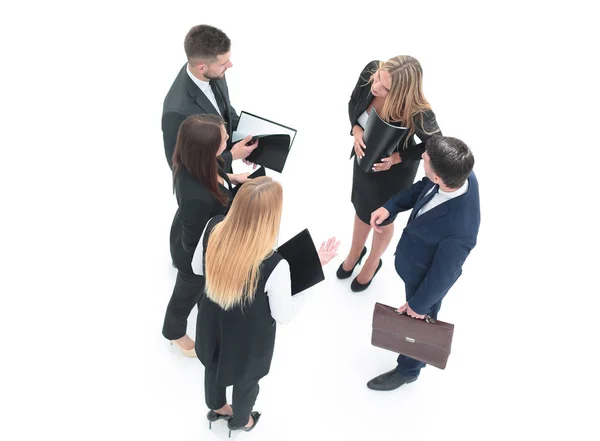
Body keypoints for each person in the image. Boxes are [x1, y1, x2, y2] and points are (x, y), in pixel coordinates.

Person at [190, 177, 339, 435]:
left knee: (213, 367)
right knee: (246, 383)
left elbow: (196, 267)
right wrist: (311, 276)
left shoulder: (212, 227)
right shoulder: (275, 265)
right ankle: (241, 421)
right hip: (249, 342)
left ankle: (217, 407)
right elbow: (284, 315)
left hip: (212, 323)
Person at [367, 135, 480, 391]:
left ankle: (409, 370)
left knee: (419, 323)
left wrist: (419, 306)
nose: (422, 157)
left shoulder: (462, 229)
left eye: (426, 159)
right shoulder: (458, 174)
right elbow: (422, 187)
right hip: (413, 258)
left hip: (424, 278)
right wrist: (391, 207)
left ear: (440, 177)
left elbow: (445, 274)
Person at [338, 56, 441, 292]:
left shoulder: (417, 111)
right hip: (364, 160)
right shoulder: (372, 72)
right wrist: (355, 130)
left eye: (385, 88)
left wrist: (396, 158)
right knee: (361, 208)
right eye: (378, 79)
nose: (375, 87)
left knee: (382, 218)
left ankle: (373, 261)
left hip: (393, 174)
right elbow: (353, 102)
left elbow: (434, 144)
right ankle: (356, 252)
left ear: (402, 93)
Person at [163, 114, 251, 357]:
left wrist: (231, 178)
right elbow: (194, 244)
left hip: (196, 237)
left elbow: (216, 166)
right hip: (194, 257)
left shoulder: (197, 162)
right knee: (185, 295)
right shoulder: (196, 197)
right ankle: (174, 332)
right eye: (224, 139)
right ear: (207, 149)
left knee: (202, 291)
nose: (228, 140)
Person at [162, 24, 257, 171]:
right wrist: (231, 156)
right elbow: (181, 170)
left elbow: (225, 112)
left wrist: (247, 141)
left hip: (226, 177)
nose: (230, 65)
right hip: (205, 191)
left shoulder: (215, 72)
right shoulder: (176, 111)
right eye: (224, 63)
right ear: (201, 68)